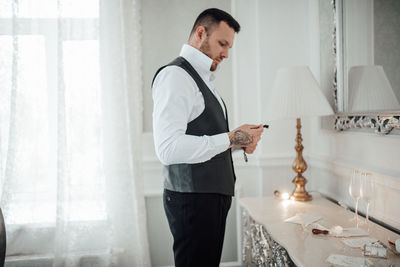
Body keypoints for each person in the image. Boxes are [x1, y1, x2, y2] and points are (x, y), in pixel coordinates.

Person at [152, 8, 263, 267]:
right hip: (193, 201)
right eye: (222, 44)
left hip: (208, 199)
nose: (226, 53)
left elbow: (202, 140)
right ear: (200, 33)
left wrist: (238, 142)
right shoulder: (176, 76)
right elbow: (168, 148)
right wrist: (231, 137)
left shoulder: (203, 78)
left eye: (229, 47)